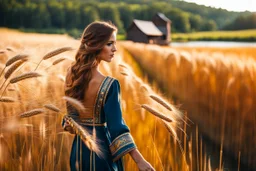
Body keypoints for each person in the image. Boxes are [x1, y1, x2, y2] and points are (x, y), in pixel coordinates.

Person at [62, 21, 155, 171]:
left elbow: (71, 118)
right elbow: (117, 128)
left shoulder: (71, 75)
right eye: (110, 44)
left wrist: (69, 125)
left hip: (78, 153)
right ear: (96, 45)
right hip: (101, 153)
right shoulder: (110, 85)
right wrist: (140, 161)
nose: (115, 49)